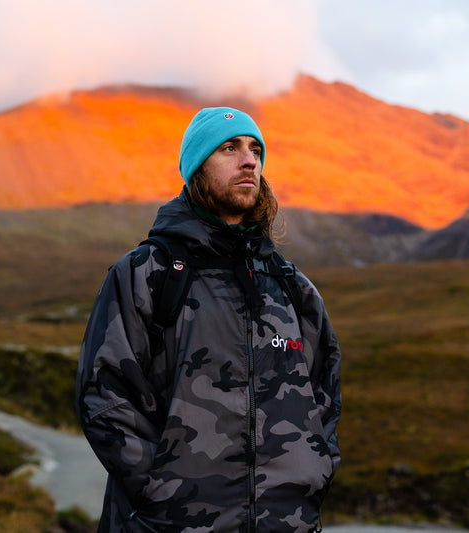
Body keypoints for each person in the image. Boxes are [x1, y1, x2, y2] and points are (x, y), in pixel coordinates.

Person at [76, 107, 342, 532]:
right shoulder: (147, 274)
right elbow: (103, 393)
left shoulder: (292, 288)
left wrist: (313, 474)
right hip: (170, 524)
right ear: (198, 166)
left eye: (256, 150)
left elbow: (324, 396)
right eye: (229, 148)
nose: (249, 160)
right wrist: (160, 493)